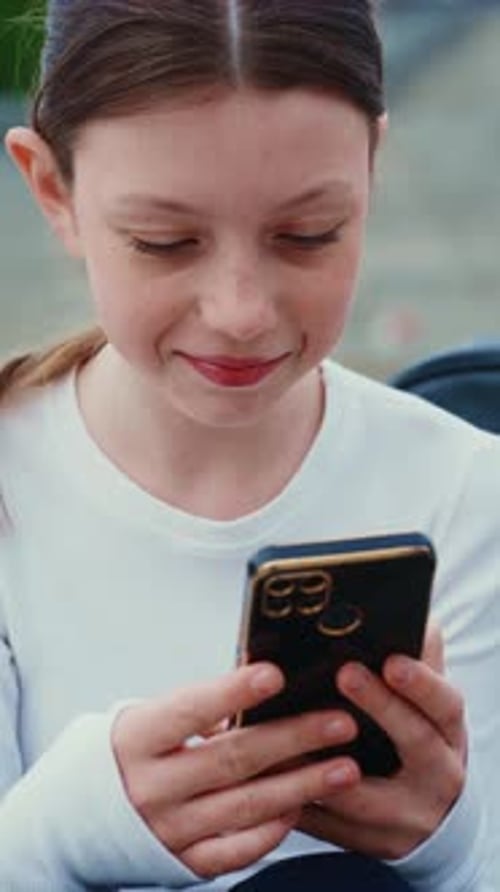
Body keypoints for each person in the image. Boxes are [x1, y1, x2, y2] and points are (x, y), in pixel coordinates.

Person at [0, 1, 499, 890]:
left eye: (307, 235)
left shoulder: (468, 494)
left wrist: (448, 843)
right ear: (53, 192)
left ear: (372, 172)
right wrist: (63, 828)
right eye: (165, 242)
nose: (241, 312)